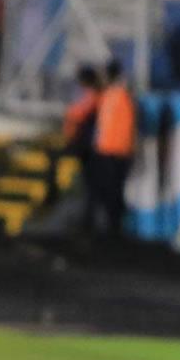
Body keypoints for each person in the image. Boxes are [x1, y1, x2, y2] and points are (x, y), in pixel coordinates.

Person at [91, 59, 136, 238]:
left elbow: (126, 125)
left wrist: (124, 147)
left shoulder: (121, 95)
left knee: (114, 190)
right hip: (107, 149)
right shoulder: (109, 94)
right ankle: (110, 226)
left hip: (116, 151)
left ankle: (115, 228)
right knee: (107, 190)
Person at [63, 65, 102, 233]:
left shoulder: (92, 97)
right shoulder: (94, 96)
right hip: (88, 146)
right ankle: (87, 219)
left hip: (89, 147)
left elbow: (77, 115)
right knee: (88, 185)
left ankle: (88, 221)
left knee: (90, 185)